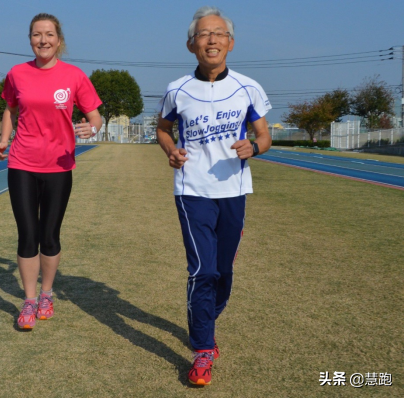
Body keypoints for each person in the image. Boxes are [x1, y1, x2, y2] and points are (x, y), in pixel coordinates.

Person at [156, 6, 272, 386]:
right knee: (202, 271)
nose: (212, 39)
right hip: (192, 192)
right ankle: (203, 348)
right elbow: (162, 129)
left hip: (234, 191)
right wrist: (170, 150)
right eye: (204, 34)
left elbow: (265, 136)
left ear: (230, 44)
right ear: (192, 45)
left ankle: (205, 318)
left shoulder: (247, 87)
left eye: (219, 34)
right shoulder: (177, 90)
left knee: (223, 273)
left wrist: (253, 149)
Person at [0, 13, 102, 330]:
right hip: (22, 164)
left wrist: (90, 129)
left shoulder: (74, 76)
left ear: (59, 40)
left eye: (49, 34)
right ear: (30, 39)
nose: (43, 40)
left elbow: (94, 116)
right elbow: (9, 110)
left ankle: (46, 294)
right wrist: (4, 139)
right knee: (27, 236)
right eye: (37, 34)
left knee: (49, 236)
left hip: (59, 165)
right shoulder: (16, 74)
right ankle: (28, 302)